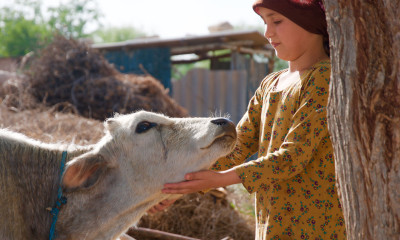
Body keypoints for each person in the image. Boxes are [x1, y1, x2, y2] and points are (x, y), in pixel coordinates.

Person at [159, 0, 347, 239]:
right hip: (272, 224)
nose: (268, 33)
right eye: (265, 23)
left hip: (315, 227)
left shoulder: (324, 78)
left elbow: (293, 156)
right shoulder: (270, 84)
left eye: (277, 21)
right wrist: (180, 188)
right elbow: (235, 148)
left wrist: (222, 179)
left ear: (309, 21)